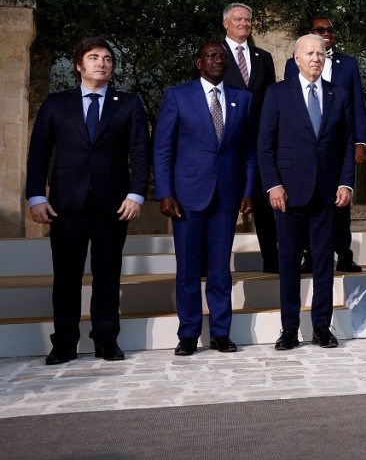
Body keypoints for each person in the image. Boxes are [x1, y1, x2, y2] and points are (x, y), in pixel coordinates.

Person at [26, 37, 150, 364]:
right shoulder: (56, 103)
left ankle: (106, 340)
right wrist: (37, 196)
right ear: (79, 65)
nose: (101, 63)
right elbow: (39, 152)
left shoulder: (129, 103)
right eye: (93, 57)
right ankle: (64, 343)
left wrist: (136, 194)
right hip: (65, 203)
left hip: (114, 203)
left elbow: (139, 152)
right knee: (66, 276)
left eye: (107, 58)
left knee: (107, 273)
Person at [154, 42, 256, 356]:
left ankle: (221, 334)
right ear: (199, 62)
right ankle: (188, 334)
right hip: (186, 198)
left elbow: (249, 152)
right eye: (212, 56)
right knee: (187, 269)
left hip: (226, 197)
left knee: (219, 270)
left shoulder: (244, 99)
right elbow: (163, 149)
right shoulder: (177, 96)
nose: (218, 60)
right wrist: (165, 192)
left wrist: (249, 190)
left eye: (223, 57)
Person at [258, 34, 357, 350]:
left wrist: (345, 182)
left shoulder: (338, 94)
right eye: (310, 53)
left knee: (324, 262)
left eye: (321, 53)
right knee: (288, 262)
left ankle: (321, 327)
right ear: (296, 59)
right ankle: (289, 329)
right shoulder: (277, 94)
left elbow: (345, 144)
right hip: (288, 193)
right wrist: (273, 184)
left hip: (327, 193)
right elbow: (264, 146)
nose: (316, 57)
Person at [284, 17, 366, 273]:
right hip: (307, 148)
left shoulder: (349, 64)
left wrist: (359, 141)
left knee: (340, 203)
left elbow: (357, 105)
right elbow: (291, 104)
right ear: (311, 33)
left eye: (330, 30)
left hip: (337, 145)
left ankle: (344, 253)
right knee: (310, 201)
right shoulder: (292, 64)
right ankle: (310, 256)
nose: (326, 33)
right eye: (320, 30)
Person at [219, 2, 279, 271]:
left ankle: (272, 259)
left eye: (248, 20)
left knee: (265, 202)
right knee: (224, 202)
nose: (244, 23)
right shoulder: (214, 55)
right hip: (226, 139)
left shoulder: (263, 58)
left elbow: (270, 99)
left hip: (259, 139)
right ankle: (216, 262)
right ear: (226, 24)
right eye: (238, 19)